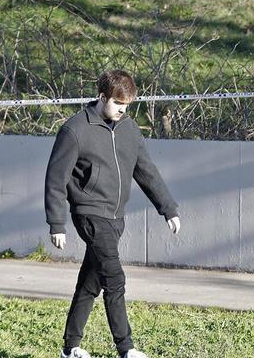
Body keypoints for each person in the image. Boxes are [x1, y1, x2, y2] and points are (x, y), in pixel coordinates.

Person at [44, 69, 182, 358]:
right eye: (118, 104)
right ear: (101, 97)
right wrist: (57, 223)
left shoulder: (130, 130)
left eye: (127, 105)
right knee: (115, 279)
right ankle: (126, 349)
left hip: (116, 217)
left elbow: (147, 172)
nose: (122, 110)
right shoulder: (75, 130)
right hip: (90, 214)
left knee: (90, 282)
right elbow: (56, 178)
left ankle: (70, 349)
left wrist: (167, 208)